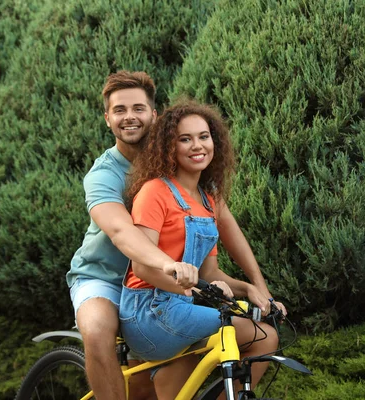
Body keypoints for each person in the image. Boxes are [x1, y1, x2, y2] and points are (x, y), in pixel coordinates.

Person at [67, 71, 284, 400]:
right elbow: (120, 231)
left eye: (138, 108)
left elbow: (225, 225)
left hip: (164, 282)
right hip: (106, 276)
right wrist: (170, 266)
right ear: (107, 117)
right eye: (120, 110)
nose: (130, 117)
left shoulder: (178, 166)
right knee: (97, 332)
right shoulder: (104, 175)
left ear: (153, 115)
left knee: (147, 385)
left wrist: (259, 288)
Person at [120, 100, 281, 400]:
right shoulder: (155, 191)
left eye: (204, 136)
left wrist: (248, 288)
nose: (197, 146)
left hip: (184, 309)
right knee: (263, 335)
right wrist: (194, 292)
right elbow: (141, 267)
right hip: (149, 311)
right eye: (185, 139)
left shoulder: (208, 202)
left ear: (214, 141)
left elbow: (209, 272)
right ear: (169, 146)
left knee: (259, 321)